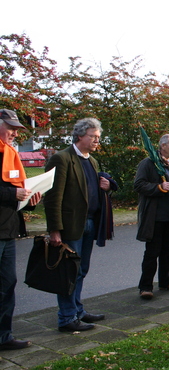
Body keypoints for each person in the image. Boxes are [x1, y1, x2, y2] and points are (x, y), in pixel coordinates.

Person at [44, 117, 117, 332]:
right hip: (71, 225)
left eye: (98, 137)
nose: (96, 141)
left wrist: (105, 186)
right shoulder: (62, 158)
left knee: (81, 270)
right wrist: (55, 229)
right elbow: (53, 196)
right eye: (92, 137)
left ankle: (77, 310)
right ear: (79, 136)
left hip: (91, 223)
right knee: (69, 272)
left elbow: (91, 189)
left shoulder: (91, 160)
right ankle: (66, 318)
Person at [0, 109, 41, 350]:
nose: (15, 133)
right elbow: (8, 191)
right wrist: (12, 193)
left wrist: (28, 201)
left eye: (17, 129)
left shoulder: (11, 154)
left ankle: (4, 336)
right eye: (11, 128)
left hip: (8, 231)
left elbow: (14, 193)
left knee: (7, 285)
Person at [134, 134, 169, 299]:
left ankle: (166, 281)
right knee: (152, 252)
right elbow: (139, 185)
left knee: (168, 250)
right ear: (162, 146)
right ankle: (146, 287)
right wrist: (158, 187)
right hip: (155, 216)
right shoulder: (148, 163)